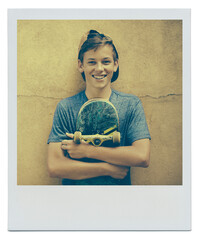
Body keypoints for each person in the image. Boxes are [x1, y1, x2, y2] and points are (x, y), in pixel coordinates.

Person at [47, 30, 151, 185]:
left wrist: (88, 151)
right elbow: (54, 166)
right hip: (74, 202)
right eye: (92, 62)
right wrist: (107, 169)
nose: (99, 68)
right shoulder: (66, 107)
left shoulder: (131, 104)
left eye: (106, 61)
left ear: (115, 64)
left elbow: (142, 156)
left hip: (117, 202)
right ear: (80, 65)